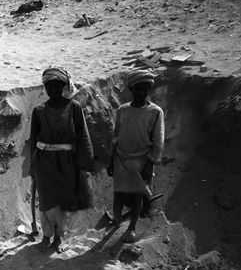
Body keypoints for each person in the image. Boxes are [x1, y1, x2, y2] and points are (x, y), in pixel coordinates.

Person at [27, 66, 95, 253]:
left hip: (67, 161)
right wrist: (33, 166)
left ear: (64, 86)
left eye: (58, 86)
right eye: (50, 86)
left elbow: (83, 136)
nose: (54, 90)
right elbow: (33, 139)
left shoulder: (74, 108)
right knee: (47, 202)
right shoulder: (38, 111)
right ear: (46, 88)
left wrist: (84, 162)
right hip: (44, 161)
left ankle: (58, 236)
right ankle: (46, 235)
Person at [107, 70, 165, 243]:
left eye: (144, 89)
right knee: (118, 194)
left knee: (137, 195)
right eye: (136, 89)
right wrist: (111, 160)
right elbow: (116, 136)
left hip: (142, 160)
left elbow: (159, 140)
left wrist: (150, 163)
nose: (140, 92)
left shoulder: (155, 112)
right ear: (131, 89)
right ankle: (117, 222)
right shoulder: (123, 110)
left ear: (149, 89)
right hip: (121, 160)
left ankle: (132, 227)